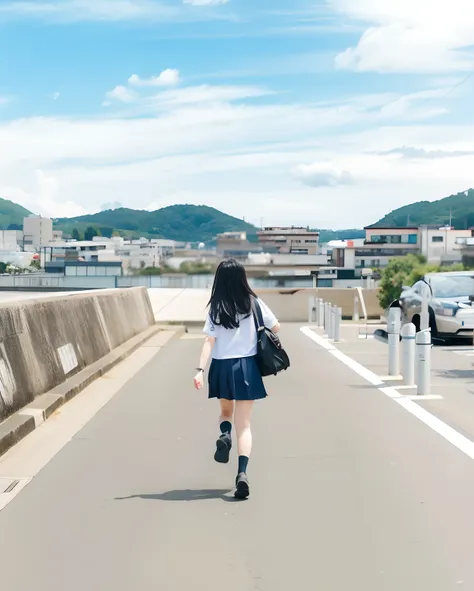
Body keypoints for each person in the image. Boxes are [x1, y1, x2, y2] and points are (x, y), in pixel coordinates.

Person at [194, 259, 280, 500]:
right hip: (247, 367)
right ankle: (242, 474)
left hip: (221, 367)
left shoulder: (216, 308)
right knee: (245, 424)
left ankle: (224, 434)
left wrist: (199, 369)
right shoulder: (254, 303)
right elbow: (277, 327)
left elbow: (208, 341)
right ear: (243, 278)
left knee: (225, 412)